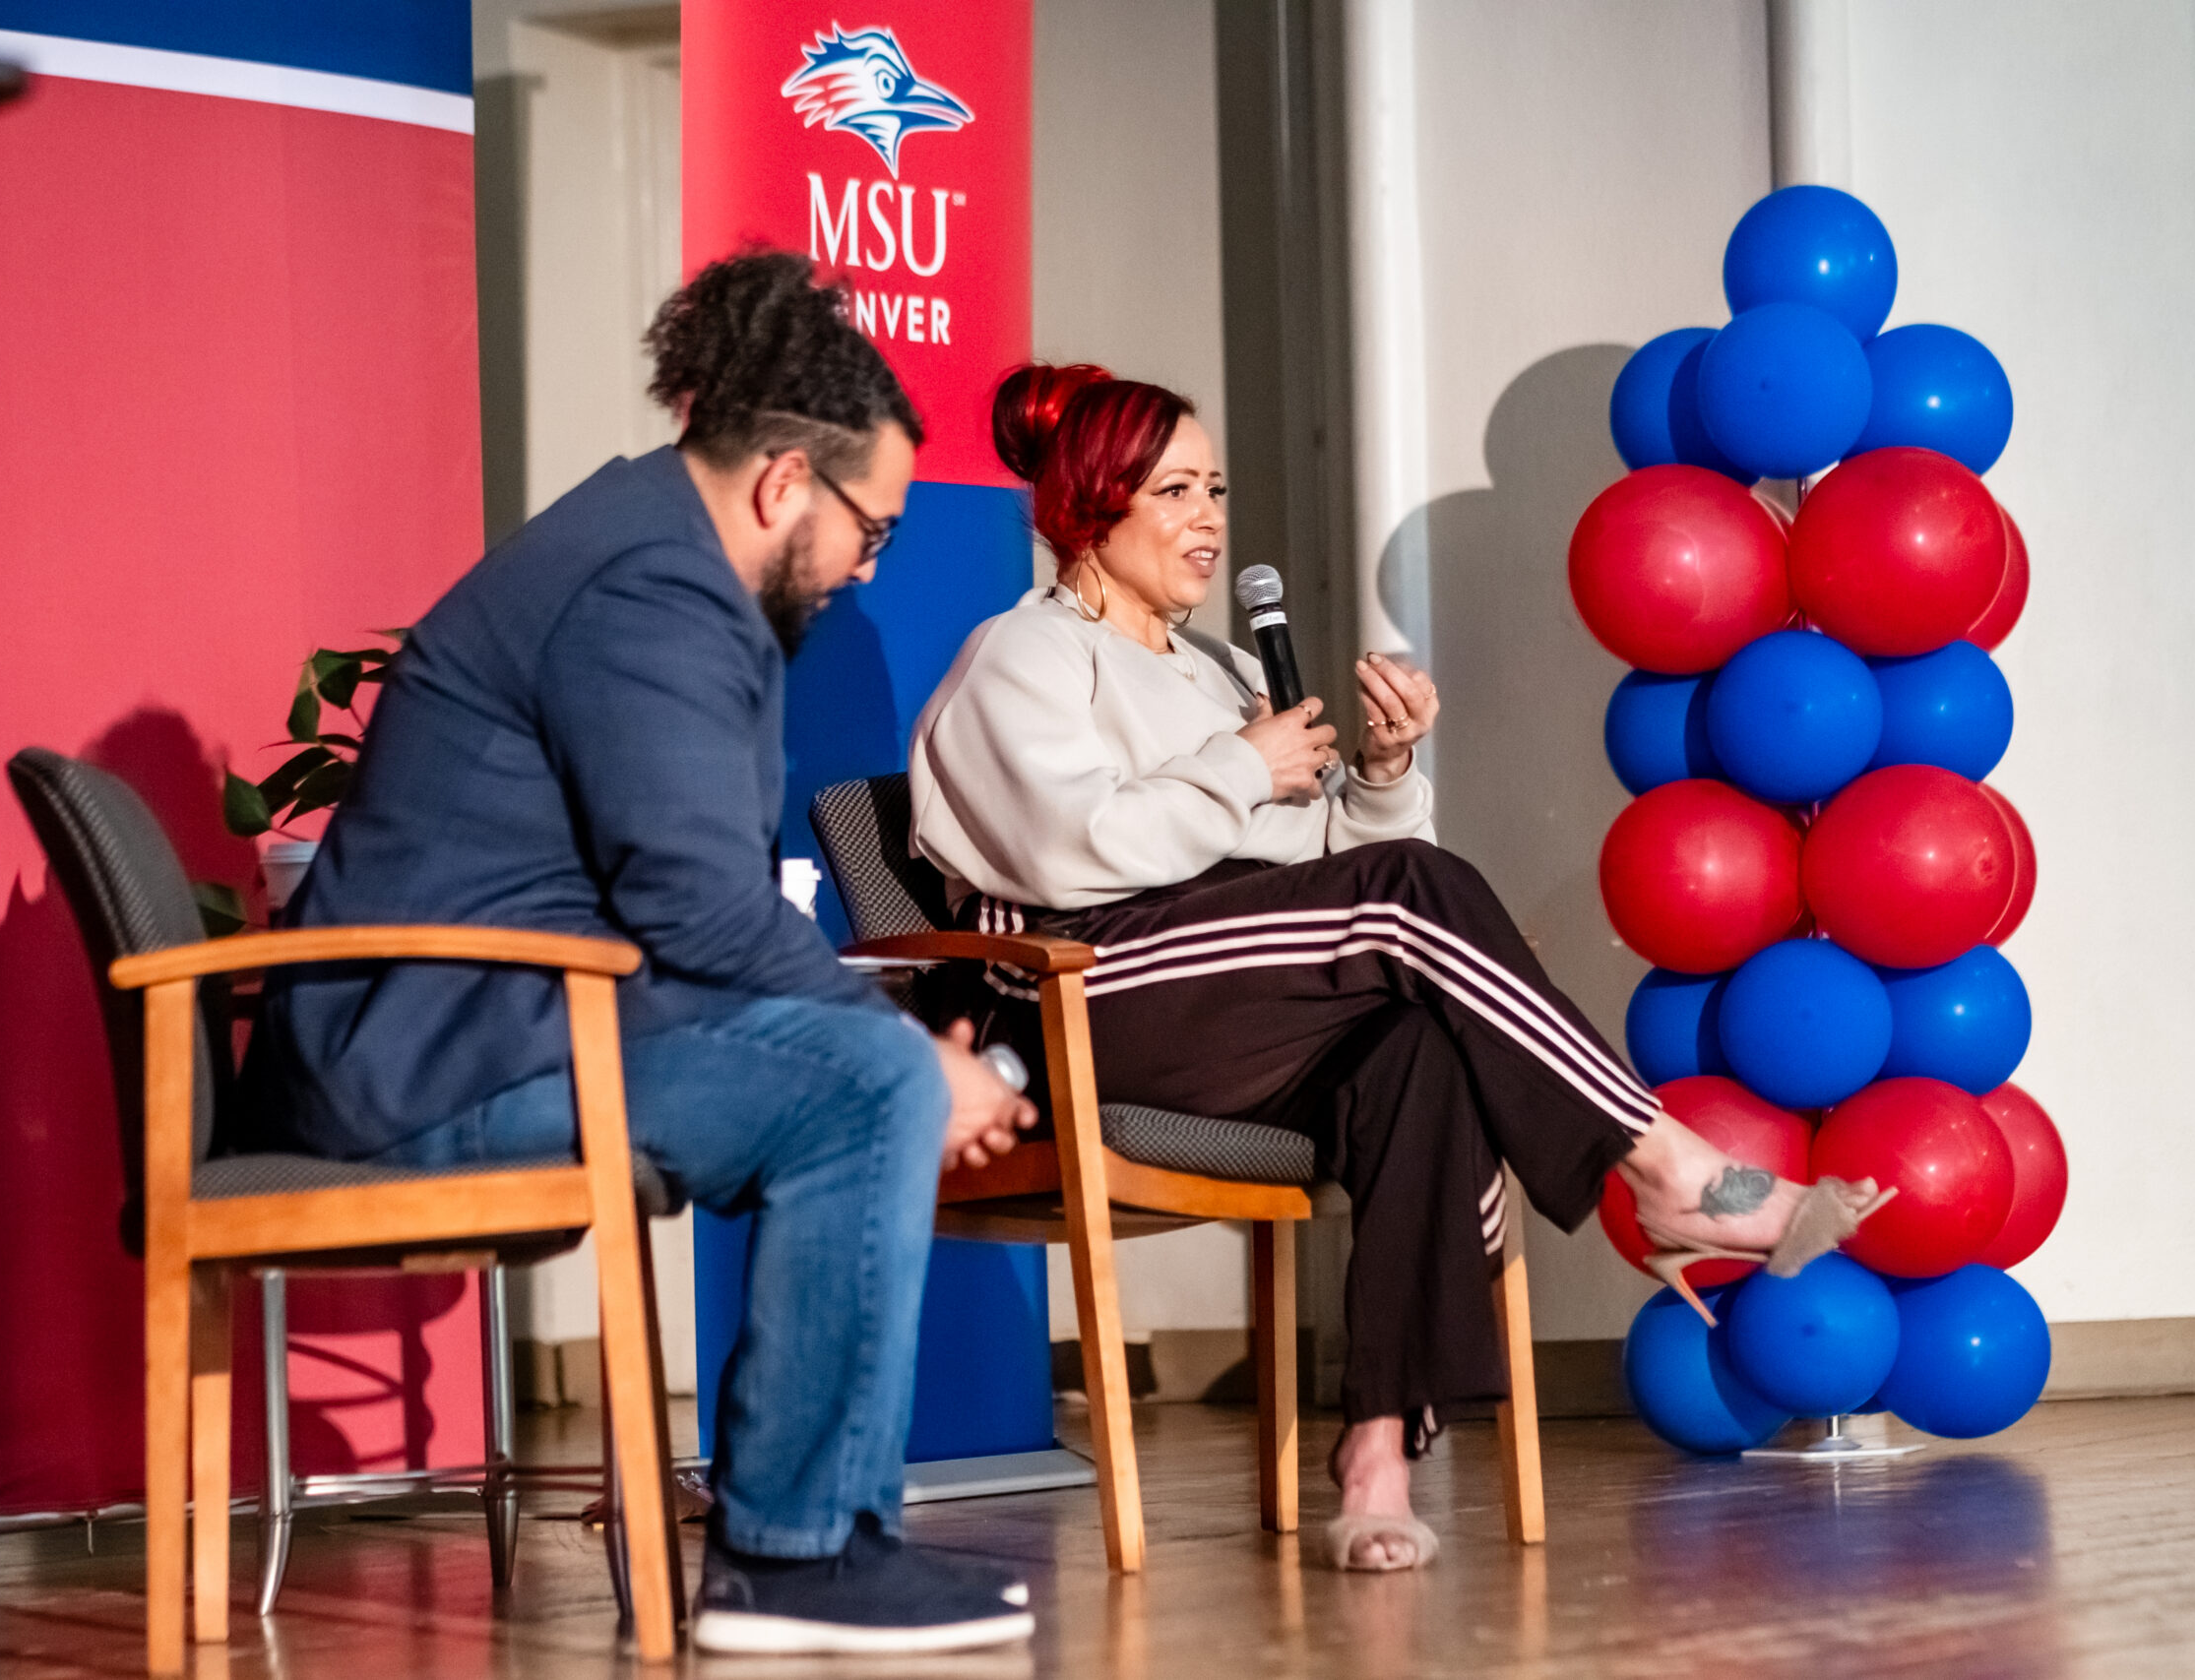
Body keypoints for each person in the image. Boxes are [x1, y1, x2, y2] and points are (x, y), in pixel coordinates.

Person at [908, 363, 1884, 1573]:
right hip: (1078, 989)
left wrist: (1375, 777)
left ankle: (1378, 1449)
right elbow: (1067, 851)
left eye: (1215, 488)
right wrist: (1237, 773)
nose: (1209, 518)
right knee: (1413, 904)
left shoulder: (1215, 670)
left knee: (1423, 1051)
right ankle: (1668, 1164)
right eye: (1173, 491)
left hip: (1228, 989)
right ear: (1090, 508)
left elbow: (1325, 878)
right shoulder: (1023, 656)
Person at [260, 253, 1037, 1655]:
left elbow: (679, 905)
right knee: (871, 1084)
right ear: (784, 482)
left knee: (870, 1075)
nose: (871, 565)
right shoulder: (651, 588)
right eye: (874, 527)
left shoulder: (655, 556)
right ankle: (793, 1555)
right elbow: (694, 904)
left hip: (508, 1015)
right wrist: (921, 1057)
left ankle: (828, 1536)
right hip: (434, 1057)